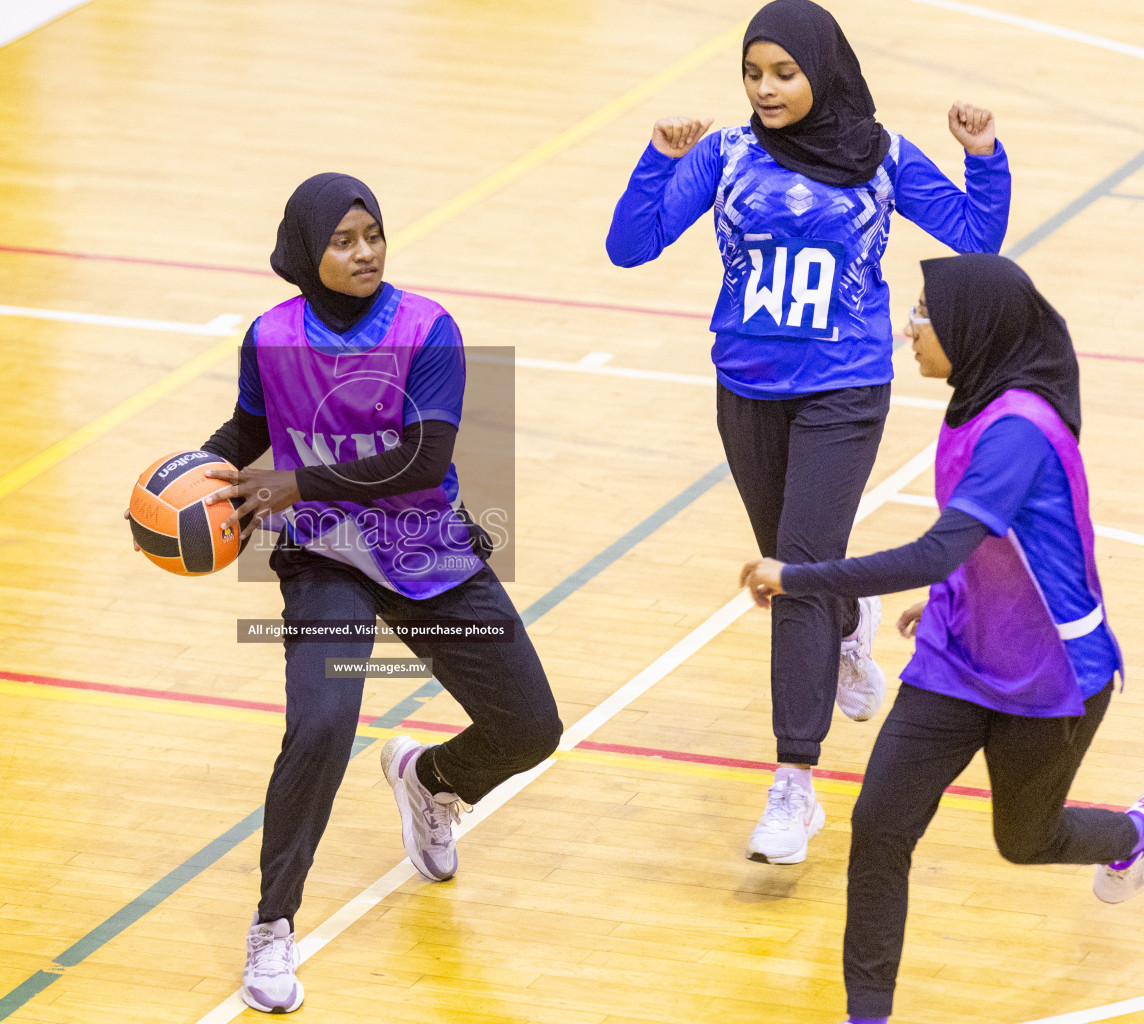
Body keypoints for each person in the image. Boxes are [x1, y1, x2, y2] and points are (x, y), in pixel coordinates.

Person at [129, 172, 563, 1014]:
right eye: (343, 240)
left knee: (533, 728)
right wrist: (189, 481)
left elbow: (423, 461)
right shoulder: (270, 335)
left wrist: (297, 482)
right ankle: (272, 929)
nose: (364, 251)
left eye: (373, 235)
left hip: (423, 546)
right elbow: (250, 430)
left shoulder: (427, 329)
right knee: (322, 727)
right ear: (306, 251)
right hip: (323, 553)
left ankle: (432, 779)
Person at [605, 0, 1011, 864]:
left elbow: (977, 236)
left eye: (784, 72)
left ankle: (795, 783)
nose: (766, 88)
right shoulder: (725, 152)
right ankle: (850, 608)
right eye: (754, 73)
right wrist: (658, 160)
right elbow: (630, 246)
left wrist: (984, 158)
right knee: (801, 561)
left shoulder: (883, 156)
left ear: (822, 70)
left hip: (844, 390)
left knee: (789, 575)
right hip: (744, 388)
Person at [741, 253, 1138, 1024]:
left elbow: (934, 548)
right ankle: (868, 1014)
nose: (910, 328)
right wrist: (956, 598)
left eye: (924, 315)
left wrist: (800, 578)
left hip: (1050, 674)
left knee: (1025, 840)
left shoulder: (1020, 430)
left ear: (973, 329)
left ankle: (1132, 834)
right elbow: (989, 546)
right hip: (958, 659)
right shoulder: (971, 405)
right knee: (880, 828)